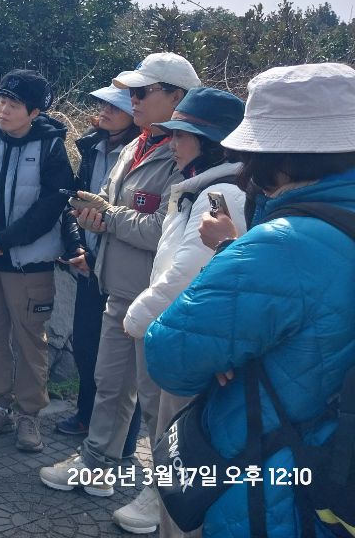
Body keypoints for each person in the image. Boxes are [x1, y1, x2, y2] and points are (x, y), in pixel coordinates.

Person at [146, 63, 355, 538]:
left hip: (276, 485)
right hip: (337, 473)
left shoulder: (281, 244)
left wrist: (229, 254)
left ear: (277, 158)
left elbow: (170, 356)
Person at [39, 52, 200, 526]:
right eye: (132, 92)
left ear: (176, 96)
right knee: (110, 384)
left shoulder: (190, 156)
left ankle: (164, 492)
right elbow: (120, 211)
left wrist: (107, 218)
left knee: (158, 402)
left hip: (161, 299)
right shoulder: (139, 144)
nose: (133, 100)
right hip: (119, 288)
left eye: (142, 92)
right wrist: (97, 217)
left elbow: (165, 229)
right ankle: (97, 464)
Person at [119, 86, 245, 536]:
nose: (172, 142)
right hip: (175, 326)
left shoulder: (220, 194)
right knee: (162, 421)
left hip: (181, 330)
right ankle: (163, 496)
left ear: (212, 143)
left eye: (182, 134)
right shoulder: (203, 186)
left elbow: (189, 270)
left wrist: (139, 316)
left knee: (177, 430)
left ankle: (169, 504)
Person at [0, 69, 75, 452]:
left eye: (14, 104)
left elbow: (52, 205)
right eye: (1, 100)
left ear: (35, 112)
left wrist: (5, 240)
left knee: (30, 339)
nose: (3, 109)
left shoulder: (52, 148)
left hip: (28, 263)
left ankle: (29, 414)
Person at [56, 83, 143, 461]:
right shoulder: (93, 147)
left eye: (114, 106)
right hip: (89, 261)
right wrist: (78, 248)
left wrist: (94, 255)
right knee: (87, 346)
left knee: (121, 364)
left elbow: (133, 219)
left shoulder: (145, 152)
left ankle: (121, 442)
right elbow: (76, 202)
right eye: (103, 104)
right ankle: (87, 417)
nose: (104, 110)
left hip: (123, 267)